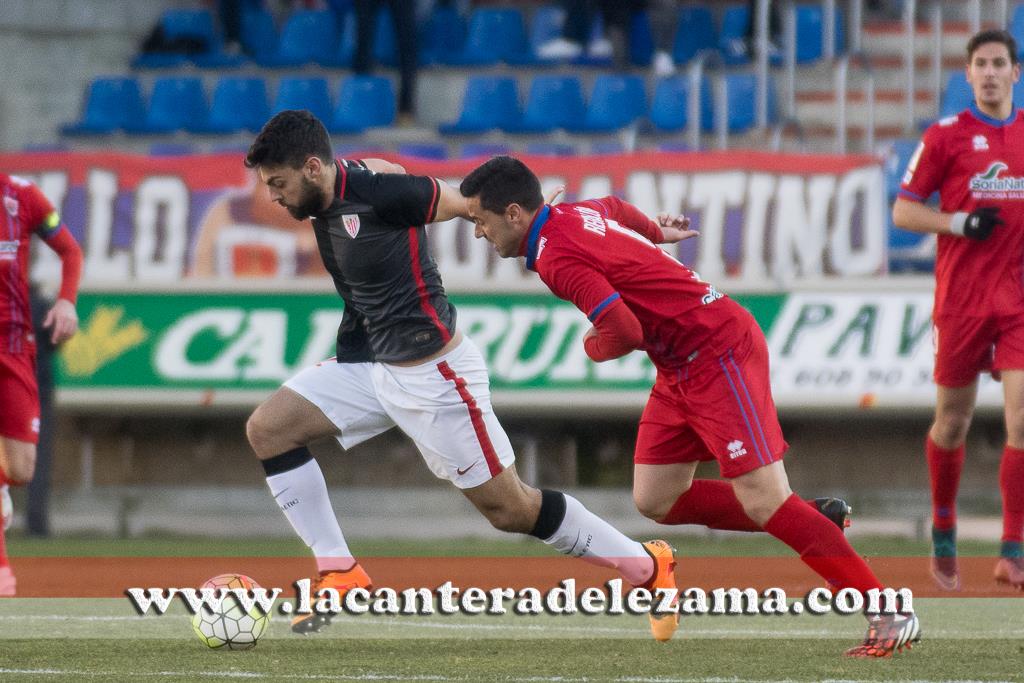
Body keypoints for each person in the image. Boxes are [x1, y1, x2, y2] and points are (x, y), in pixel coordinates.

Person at [458, 155, 921, 658]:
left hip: (717, 350)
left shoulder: (556, 257)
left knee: (764, 500)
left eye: (480, 221)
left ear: (513, 214)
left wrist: (591, 346)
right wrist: (654, 232)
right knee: (657, 498)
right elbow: (614, 207)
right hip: (680, 361)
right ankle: (812, 518)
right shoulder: (572, 214)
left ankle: (889, 610)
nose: (479, 233)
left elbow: (623, 331)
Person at [242, 110, 679, 641]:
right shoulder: (326, 193)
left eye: (278, 184)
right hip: (372, 366)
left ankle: (646, 568)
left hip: (435, 376)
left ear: (313, 168)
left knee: (511, 510)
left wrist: (545, 219)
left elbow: (466, 202)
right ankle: (338, 570)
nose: (273, 197)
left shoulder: (384, 193)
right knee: (269, 428)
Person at [892, 29, 1023, 591]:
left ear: (1015, 73)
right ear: (967, 76)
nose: (990, 72)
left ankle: (1011, 548)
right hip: (963, 302)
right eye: (980, 64)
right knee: (953, 422)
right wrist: (958, 222)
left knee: (1022, 421)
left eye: (999, 62)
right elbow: (903, 211)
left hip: (1017, 302)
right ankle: (943, 526)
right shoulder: (945, 137)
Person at [0, 173, 83, 596]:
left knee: (20, 469)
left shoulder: (23, 196)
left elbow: (69, 249)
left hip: (14, 346)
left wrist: (66, 299)